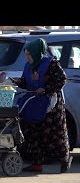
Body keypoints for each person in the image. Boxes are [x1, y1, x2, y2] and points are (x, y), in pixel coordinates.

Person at [11, 38, 73, 173]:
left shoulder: (51, 64)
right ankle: (36, 164)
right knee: (33, 133)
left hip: (51, 107)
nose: (27, 57)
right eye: (26, 55)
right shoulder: (29, 66)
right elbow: (26, 82)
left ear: (36, 52)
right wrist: (18, 81)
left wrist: (46, 89)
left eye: (29, 55)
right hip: (34, 104)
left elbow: (62, 79)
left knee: (56, 135)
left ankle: (65, 160)